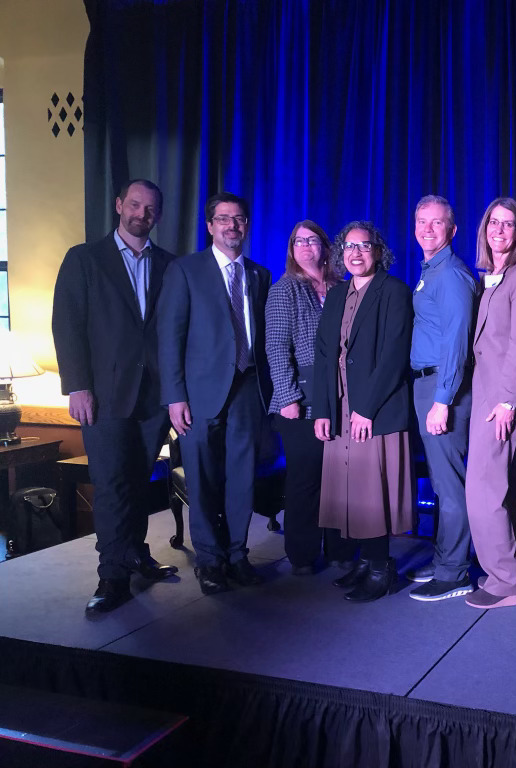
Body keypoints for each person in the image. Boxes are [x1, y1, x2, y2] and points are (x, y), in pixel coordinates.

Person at [52, 179, 178, 615]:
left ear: (158, 216)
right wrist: (77, 386)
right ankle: (113, 575)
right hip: (103, 396)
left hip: (154, 397)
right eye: (135, 204)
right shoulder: (85, 259)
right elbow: (67, 326)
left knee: (139, 481)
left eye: (151, 209)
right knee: (111, 485)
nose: (142, 214)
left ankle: (134, 553)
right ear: (119, 205)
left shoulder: (169, 265)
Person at [158, 192, 273, 595]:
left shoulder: (260, 275)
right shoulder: (185, 270)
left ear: (247, 225)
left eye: (239, 218)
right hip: (198, 395)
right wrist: (175, 396)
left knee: (242, 478)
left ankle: (238, 554)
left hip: (247, 388)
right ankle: (209, 560)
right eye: (223, 219)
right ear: (210, 226)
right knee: (203, 479)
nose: (232, 226)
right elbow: (169, 338)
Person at [312, 221, 414, 603]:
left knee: (372, 491)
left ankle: (379, 567)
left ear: (379, 251)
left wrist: (366, 409)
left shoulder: (394, 291)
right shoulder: (337, 295)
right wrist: (323, 409)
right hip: (339, 405)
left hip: (374, 407)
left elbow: (393, 354)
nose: (356, 254)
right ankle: (364, 560)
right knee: (349, 489)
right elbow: (324, 354)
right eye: (349, 247)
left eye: (364, 247)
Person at [464, 197, 516, 609]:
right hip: (485, 396)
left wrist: (509, 402)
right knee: (509, 489)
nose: (499, 230)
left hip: (501, 400)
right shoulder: (489, 277)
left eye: (509, 225)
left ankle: (504, 580)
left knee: (482, 489)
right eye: (494, 222)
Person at [406, 195, 479, 602]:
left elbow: (456, 344)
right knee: (441, 480)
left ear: (452, 230)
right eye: (421, 221)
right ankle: (445, 557)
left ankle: (454, 573)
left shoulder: (450, 275)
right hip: (428, 386)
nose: (427, 228)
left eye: (437, 223)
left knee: (451, 485)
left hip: (442, 388)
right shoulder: (430, 271)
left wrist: (443, 400)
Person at [265, 220, 347, 575]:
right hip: (301, 398)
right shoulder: (285, 289)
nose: (306, 246)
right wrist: (288, 396)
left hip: (340, 396)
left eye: (312, 240)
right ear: (291, 249)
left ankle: (341, 549)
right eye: (298, 241)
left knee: (340, 479)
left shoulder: (342, 287)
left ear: (325, 247)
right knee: (306, 479)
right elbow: (276, 346)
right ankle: (302, 555)